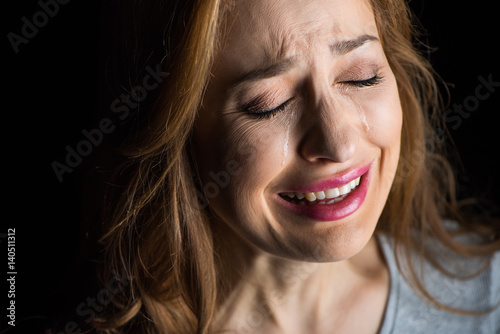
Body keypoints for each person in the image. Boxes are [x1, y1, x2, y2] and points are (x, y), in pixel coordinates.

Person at [91, 0, 500, 333]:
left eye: (362, 77)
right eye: (270, 104)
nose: (338, 145)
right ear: (176, 131)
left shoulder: (487, 295)